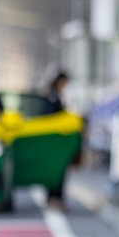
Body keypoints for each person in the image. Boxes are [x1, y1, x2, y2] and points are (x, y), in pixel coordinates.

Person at [43, 71, 71, 209]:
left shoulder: (54, 95)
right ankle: (54, 198)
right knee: (57, 170)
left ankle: (53, 198)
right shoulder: (53, 97)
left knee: (56, 170)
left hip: (54, 140)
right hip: (54, 140)